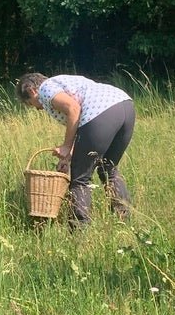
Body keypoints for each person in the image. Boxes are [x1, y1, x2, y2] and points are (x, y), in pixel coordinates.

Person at [16, 72, 135, 226]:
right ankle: (125, 223)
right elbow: (84, 129)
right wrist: (68, 155)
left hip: (101, 112)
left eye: (31, 104)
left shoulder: (45, 88)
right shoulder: (63, 84)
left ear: (32, 91)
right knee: (108, 169)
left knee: (80, 179)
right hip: (125, 106)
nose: (37, 109)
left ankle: (79, 232)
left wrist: (65, 146)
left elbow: (74, 108)